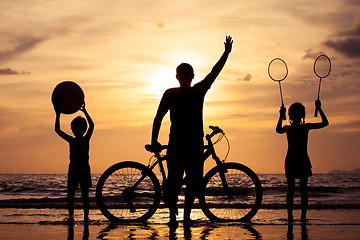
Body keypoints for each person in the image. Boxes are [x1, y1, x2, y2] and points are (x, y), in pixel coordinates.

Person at [151, 36, 233, 226]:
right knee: (174, 183)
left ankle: (186, 218)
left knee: (193, 185)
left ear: (192, 76)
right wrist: (153, 139)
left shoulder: (198, 90)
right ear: (178, 77)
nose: (186, 77)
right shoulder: (170, 93)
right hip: (177, 145)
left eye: (189, 74)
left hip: (195, 144)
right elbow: (158, 117)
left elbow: (215, 72)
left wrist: (226, 53)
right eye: (183, 74)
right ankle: (173, 218)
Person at [276, 100, 328, 222]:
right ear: (303, 115)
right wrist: (319, 108)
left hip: (292, 161)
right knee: (303, 190)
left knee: (291, 190)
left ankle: (290, 217)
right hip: (302, 160)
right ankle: (303, 217)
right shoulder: (305, 127)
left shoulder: (288, 128)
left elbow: (278, 129)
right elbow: (325, 123)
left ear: (289, 115)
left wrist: (280, 115)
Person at [55, 103, 94, 223]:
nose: (77, 130)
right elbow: (57, 130)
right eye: (75, 128)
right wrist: (58, 114)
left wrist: (85, 111)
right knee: (70, 196)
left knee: (85, 196)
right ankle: (71, 217)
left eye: (80, 128)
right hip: (72, 171)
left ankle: (86, 218)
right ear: (72, 129)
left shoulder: (86, 139)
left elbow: (92, 125)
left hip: (84, 171)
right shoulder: (71, 140)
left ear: (84, 129)